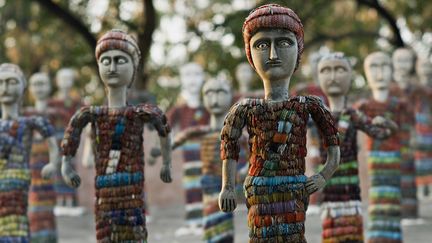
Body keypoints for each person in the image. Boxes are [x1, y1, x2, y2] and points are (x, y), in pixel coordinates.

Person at [218, 4, 341, 242]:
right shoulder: (245, 108)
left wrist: (323, 176)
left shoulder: (309, 105)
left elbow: (333, 143)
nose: (273, 55)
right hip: (259, 192)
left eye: (284, 43)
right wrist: (227, 187)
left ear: (298, 51)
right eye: (262, 45)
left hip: (294, 190)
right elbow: (229, 145)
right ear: (250, 56)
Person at [59, 29, 172, 242]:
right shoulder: (91, 113)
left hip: (132, 192)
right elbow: (72, 131)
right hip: (104, 192)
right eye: (106, 61)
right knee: (105, 234)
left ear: (133, 68)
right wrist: (66, 164)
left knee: (134, 233)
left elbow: (163, 128)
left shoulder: (141, 113)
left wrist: (166, 162)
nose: (112, 67)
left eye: (120, 60)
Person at [318, 52, 397, 243]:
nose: (333, 77)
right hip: (327, 189)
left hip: (350, 191)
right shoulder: (315, 114)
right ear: (318, 76)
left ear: (350, 76)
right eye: (326, 71)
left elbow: (383, 133)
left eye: (340, 70)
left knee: (352, 233)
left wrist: (386, 123)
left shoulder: (353, 115)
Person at [0, 63, 59, 242]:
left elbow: (51, 140)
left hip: (19, 179)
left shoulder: (30, 121)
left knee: (17, 222)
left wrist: (53, 163)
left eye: (11, 82)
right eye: (1, 83)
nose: (5, 88)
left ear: (22, 86)